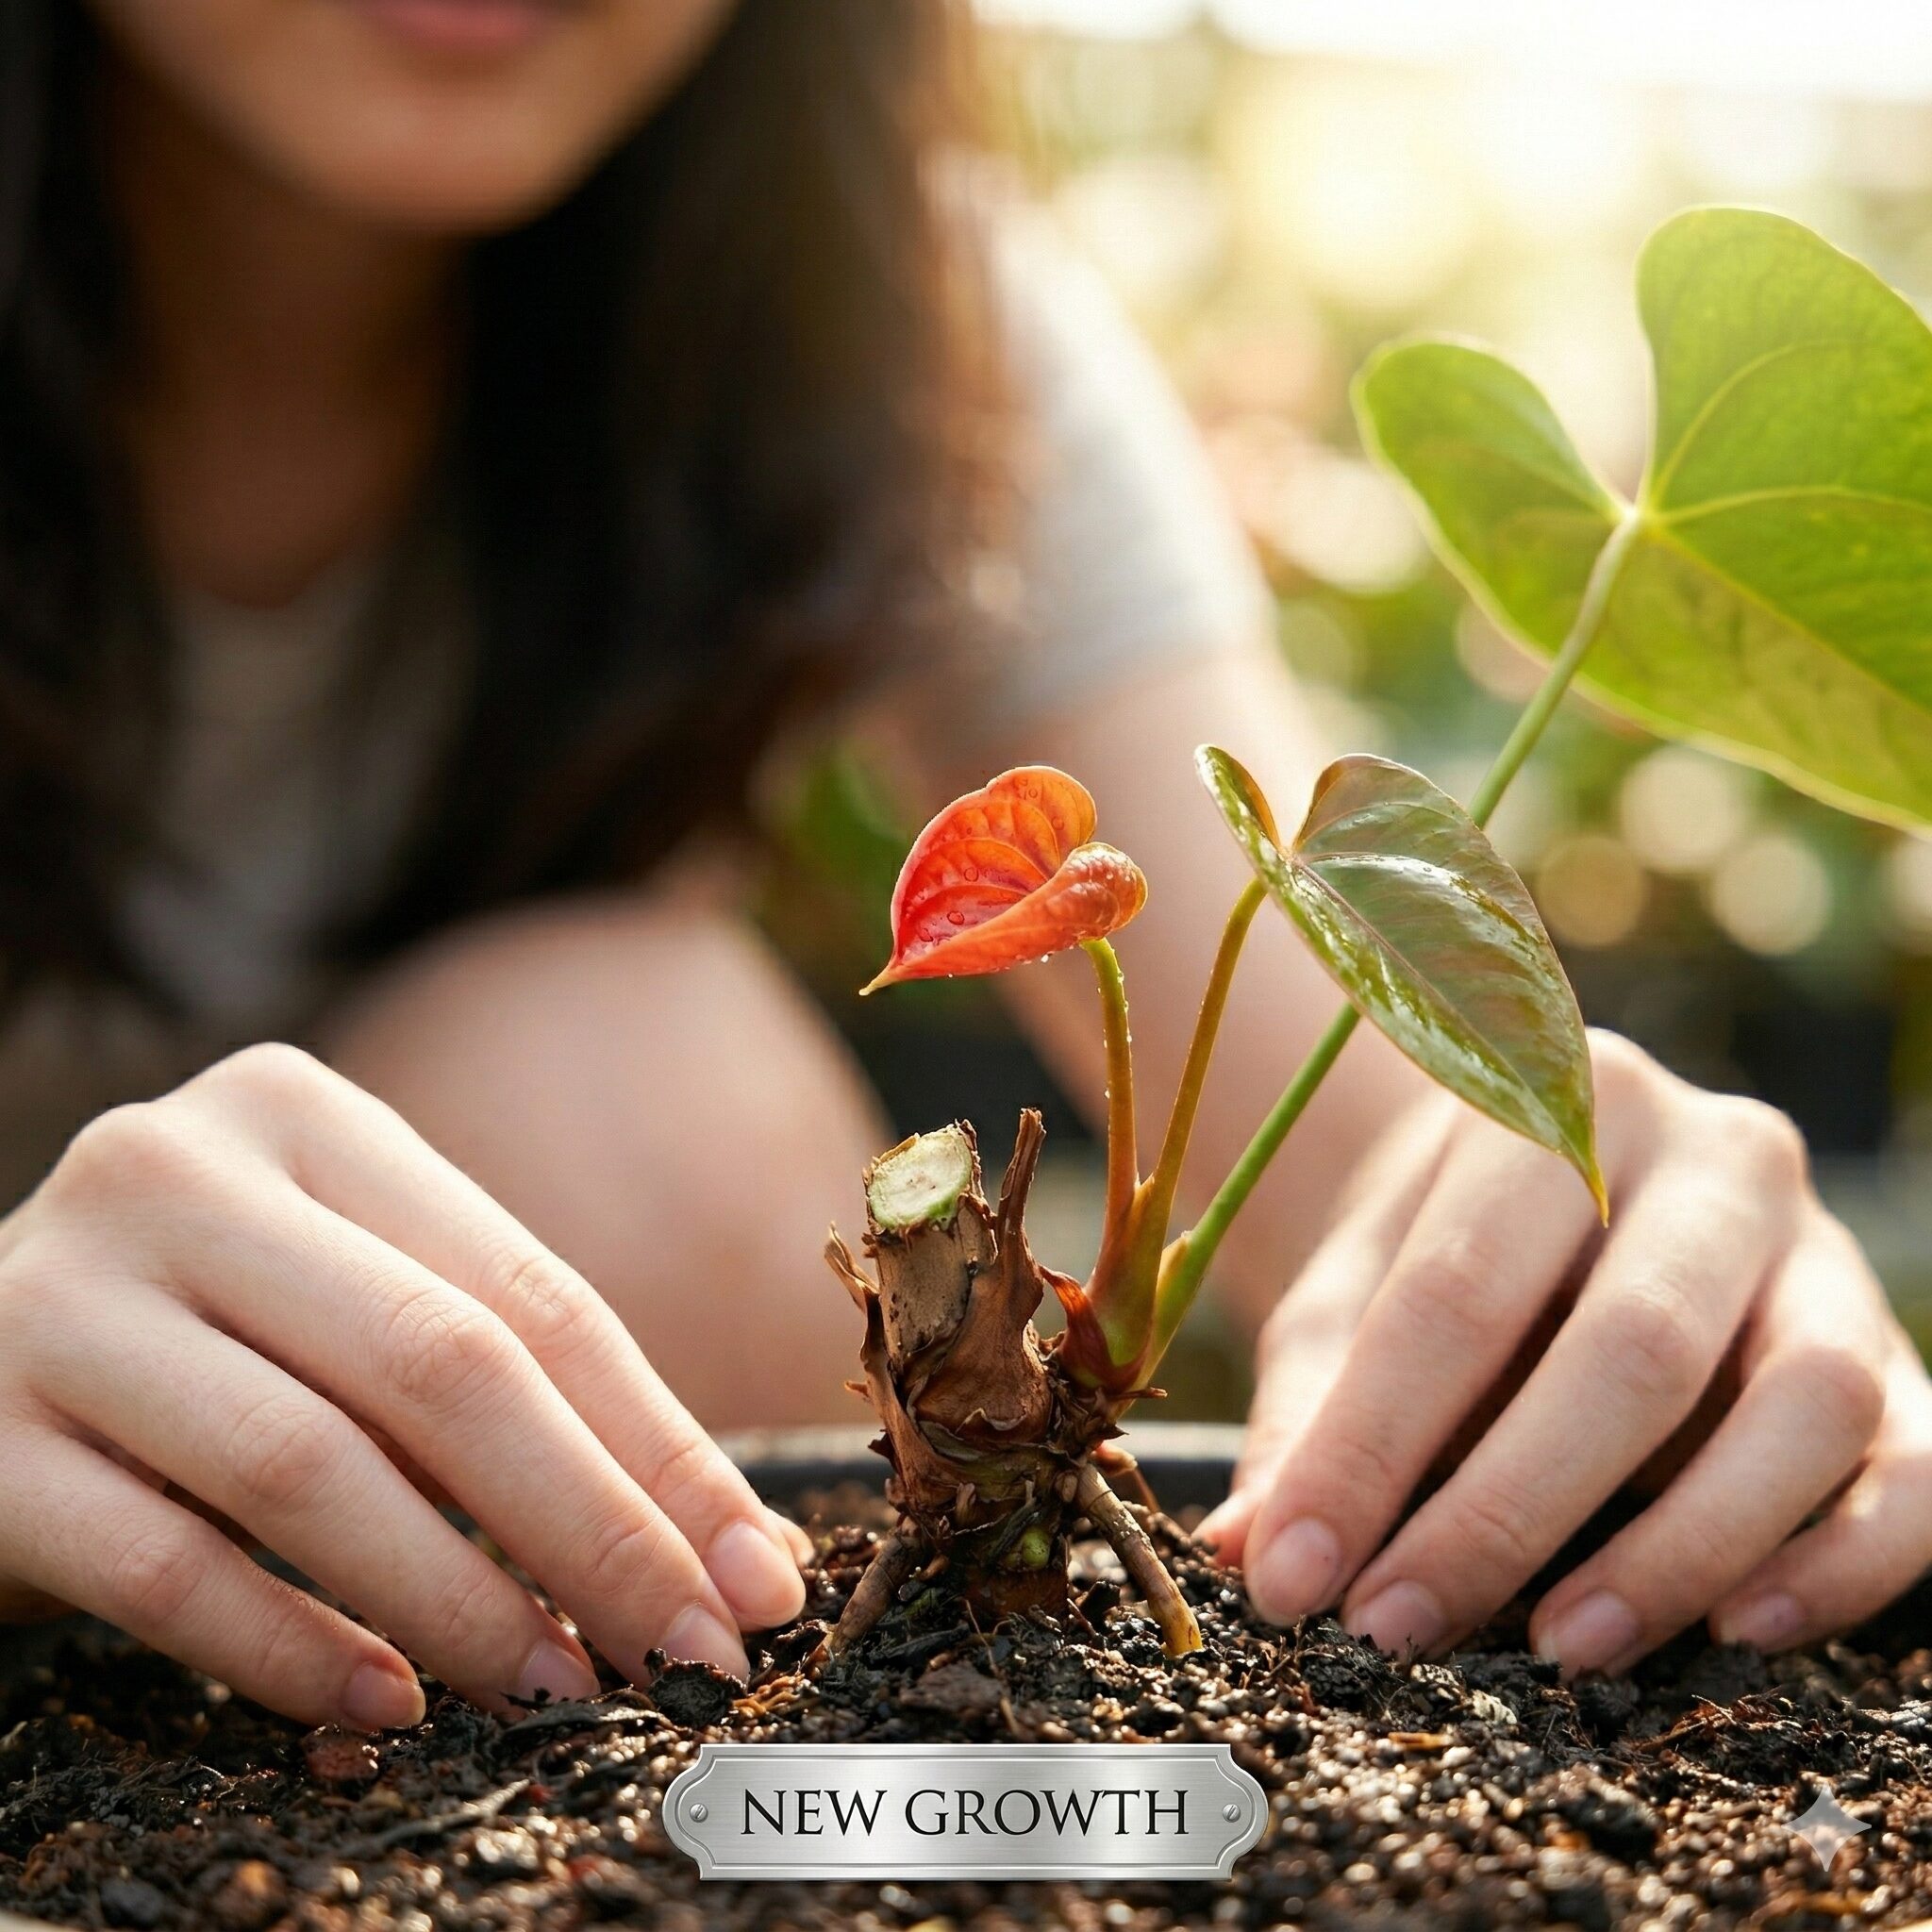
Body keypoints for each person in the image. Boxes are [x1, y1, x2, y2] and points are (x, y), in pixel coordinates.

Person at [0, 0, 1924, 1736]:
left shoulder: (883, 305)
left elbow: (1367, 1142)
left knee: (618, 1077)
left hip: (458, 1711)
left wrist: (1617, 1251)